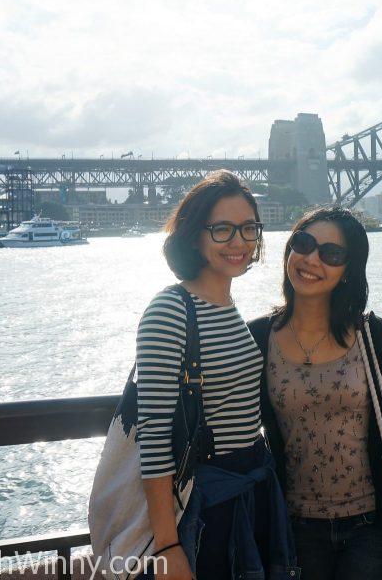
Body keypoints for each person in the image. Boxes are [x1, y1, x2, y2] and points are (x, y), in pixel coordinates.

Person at [248, 207, 382, 580]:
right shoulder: (258, 336)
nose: (311, 260)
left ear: (347, 271)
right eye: (303, 244)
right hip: (294, 526)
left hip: (371, 527)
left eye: (331, 254)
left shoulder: (370, 333)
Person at [135, 170, 297, 580]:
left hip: (252, 488)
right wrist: (168, 546)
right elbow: (153, 436)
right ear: (194, 235)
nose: (239, 242)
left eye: (248, 229)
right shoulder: (170, 310)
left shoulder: (227, 305)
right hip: (206, 505)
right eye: (222, 229)